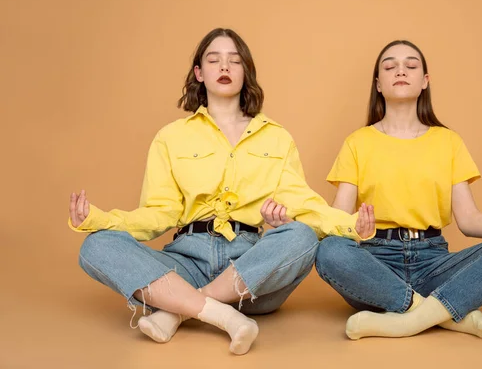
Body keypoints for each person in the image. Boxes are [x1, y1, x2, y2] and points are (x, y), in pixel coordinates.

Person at [68, 28, 374, 355]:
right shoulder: (171, 137)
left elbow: (303, 202)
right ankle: (224, 316)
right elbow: (159, 214)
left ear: (246, 72)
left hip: (251, 273)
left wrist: (350, 225)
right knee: (96, 246)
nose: (224, 67)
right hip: (185, 262)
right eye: (214, 60)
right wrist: (97, 219)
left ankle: (178, 310)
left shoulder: (277, 137)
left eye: (234, 61)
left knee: (300, 235)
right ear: (199, 73)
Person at [311, 40, 482, 340]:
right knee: (330, 251)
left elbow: (469, 220)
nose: (400, 71)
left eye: (411, 65)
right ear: (378, 84)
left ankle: (404, 319)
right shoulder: (357, 142)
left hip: (433, 262)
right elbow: (338, 219)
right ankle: (439, 313)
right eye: (390, 66)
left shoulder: (448, 142)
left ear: (425, 81)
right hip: (376, 263)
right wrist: (353, 226)